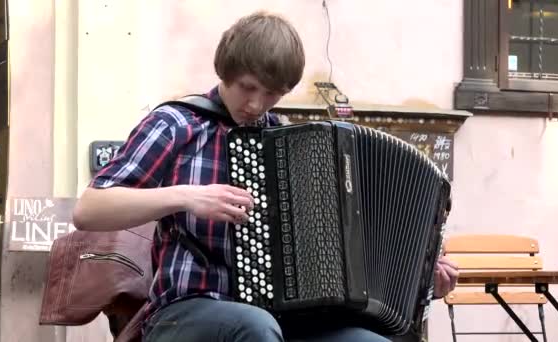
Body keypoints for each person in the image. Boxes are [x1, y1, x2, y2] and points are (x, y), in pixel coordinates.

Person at [72, 11, 458, 342]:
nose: (256, 105)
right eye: (247, 88)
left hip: (279, 318)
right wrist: (187, 196)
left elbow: (336, 259)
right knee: (255, 328)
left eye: (271, 94)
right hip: (185, 312)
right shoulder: (176, 125)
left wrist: (427, 283)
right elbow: (90, 209)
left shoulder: (289, 144)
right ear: (225, 71)